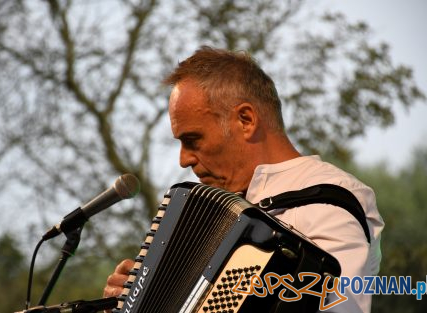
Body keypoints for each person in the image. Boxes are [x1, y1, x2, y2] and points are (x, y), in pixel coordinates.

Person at [103, 46, 384, 312]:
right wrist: (131, 299)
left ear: (246, 120)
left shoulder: (328, 203)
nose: (184, 159)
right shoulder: (223, 212)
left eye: (193, 140)